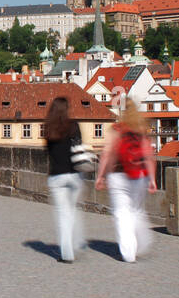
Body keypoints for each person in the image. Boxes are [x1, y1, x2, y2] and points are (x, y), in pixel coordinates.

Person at [94, 101, 158, 263]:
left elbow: (107, 153)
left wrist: (101, 176)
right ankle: (143, 241)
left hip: (118, 176)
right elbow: (149, 156)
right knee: (136, 210)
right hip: (139, 176)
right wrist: (152, 179)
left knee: (122, 213)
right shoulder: (141, 130)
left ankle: (128, 252)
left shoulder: (116, 129)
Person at [44, 96, 86, 262]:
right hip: (74, 174)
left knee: (63, 214)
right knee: (72, 211)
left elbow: (48, 153)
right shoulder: (74, 126)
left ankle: (67, 253)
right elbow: (79, 147)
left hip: (57, 175)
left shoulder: (49, 129)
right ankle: (76, 241)